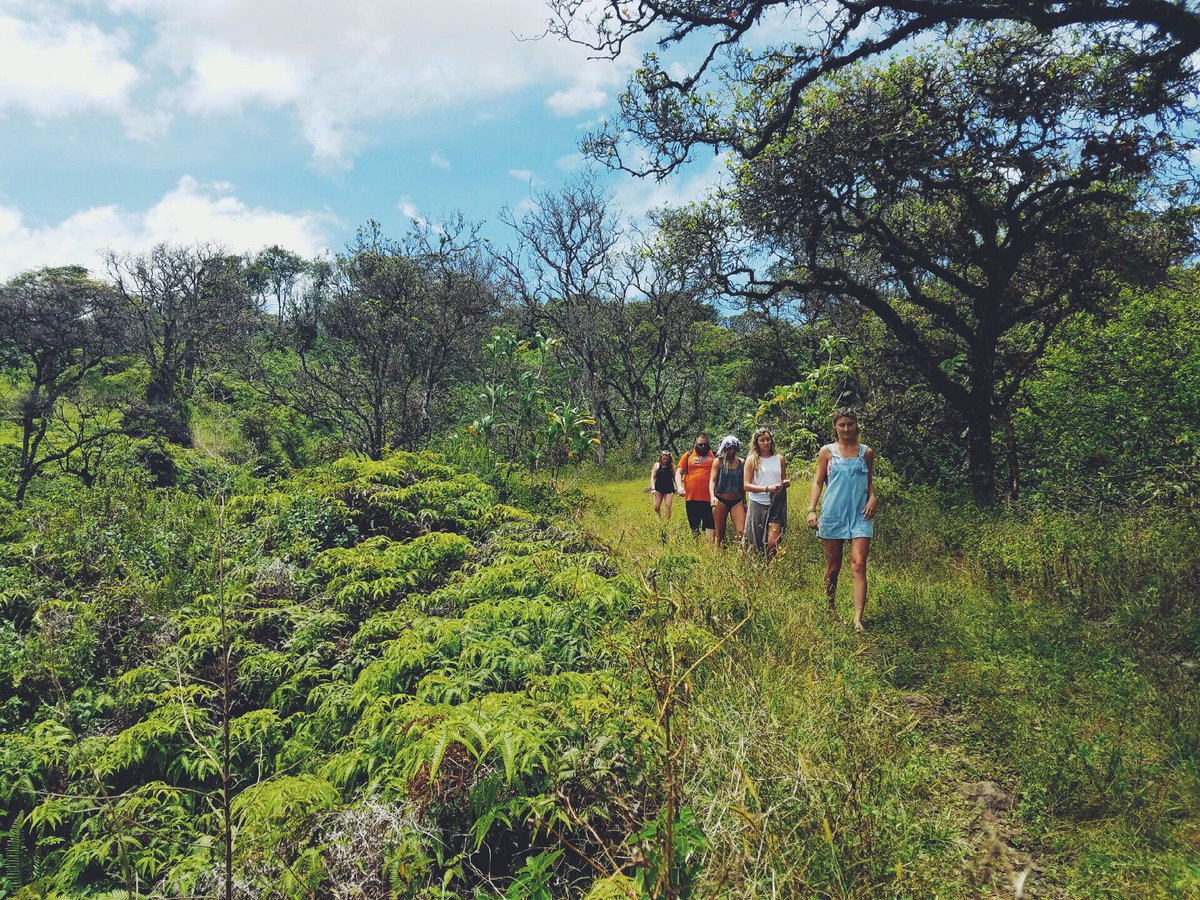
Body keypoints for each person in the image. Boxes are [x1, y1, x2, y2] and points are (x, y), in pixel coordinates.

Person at [806, 407, 877, 631]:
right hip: (834, 514)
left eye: (850, 424)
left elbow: (869, 482)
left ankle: (858, 620)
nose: (846, 429)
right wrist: (811, 509)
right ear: (835, 427)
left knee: (858, 563)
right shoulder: (827, 452)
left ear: (856, 425)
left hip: (860, 514)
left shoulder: (866, 452)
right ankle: (830, 606)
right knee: (833, 566)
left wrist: (873, 498)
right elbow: (818, 482)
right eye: (842, 425)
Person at [744, 427, 789, 562]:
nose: (765, 443)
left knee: (773, 542)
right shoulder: (752, 460)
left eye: (768, 439)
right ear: (756, 442)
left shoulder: (779, 459)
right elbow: (746, 485)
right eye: (762, 440)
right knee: (755, 540)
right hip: (758, 503)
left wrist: (785, 483)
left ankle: (769, 566)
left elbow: (783, 479)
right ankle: (756, 566)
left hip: (776, 503)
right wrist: (766, 488)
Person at [676, 432, 716, 538]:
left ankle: (710, 549)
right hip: (692, 497)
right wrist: (679, 487)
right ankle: (696, 548)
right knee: (694, 526)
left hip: (710, 498)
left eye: (705, 444)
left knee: (710, 524)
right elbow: (678, 473)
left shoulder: (715, 455)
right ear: (695, 444)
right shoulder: (687, 456)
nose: (703, 447)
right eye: (700, 444)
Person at [708, 435, 746, 547]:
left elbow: (743, 484)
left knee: (741, 531)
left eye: (734, 448)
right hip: (720, 500)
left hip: (737, 500)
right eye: (729, 448)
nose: (732, 451)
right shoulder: (718, 462)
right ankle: (717, 557)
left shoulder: (742, 463)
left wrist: (744, 501)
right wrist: (712, 497)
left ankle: (741, 555)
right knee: (719, 534)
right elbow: (712, 481)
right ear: (725, 449)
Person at [649, 450, 675, 520]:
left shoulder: (671, 466)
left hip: (669, 488)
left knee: (668, 506)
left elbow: (674, 477)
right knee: (656, 507)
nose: (665, 460)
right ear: (661, 457)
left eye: (667, 458)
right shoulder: (657, 465)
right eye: (664, 458)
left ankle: (666, 523)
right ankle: (659, 517)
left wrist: (679, 487)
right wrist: (653, 488)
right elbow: (652, 477)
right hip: (658, 488)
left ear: (669, 458)